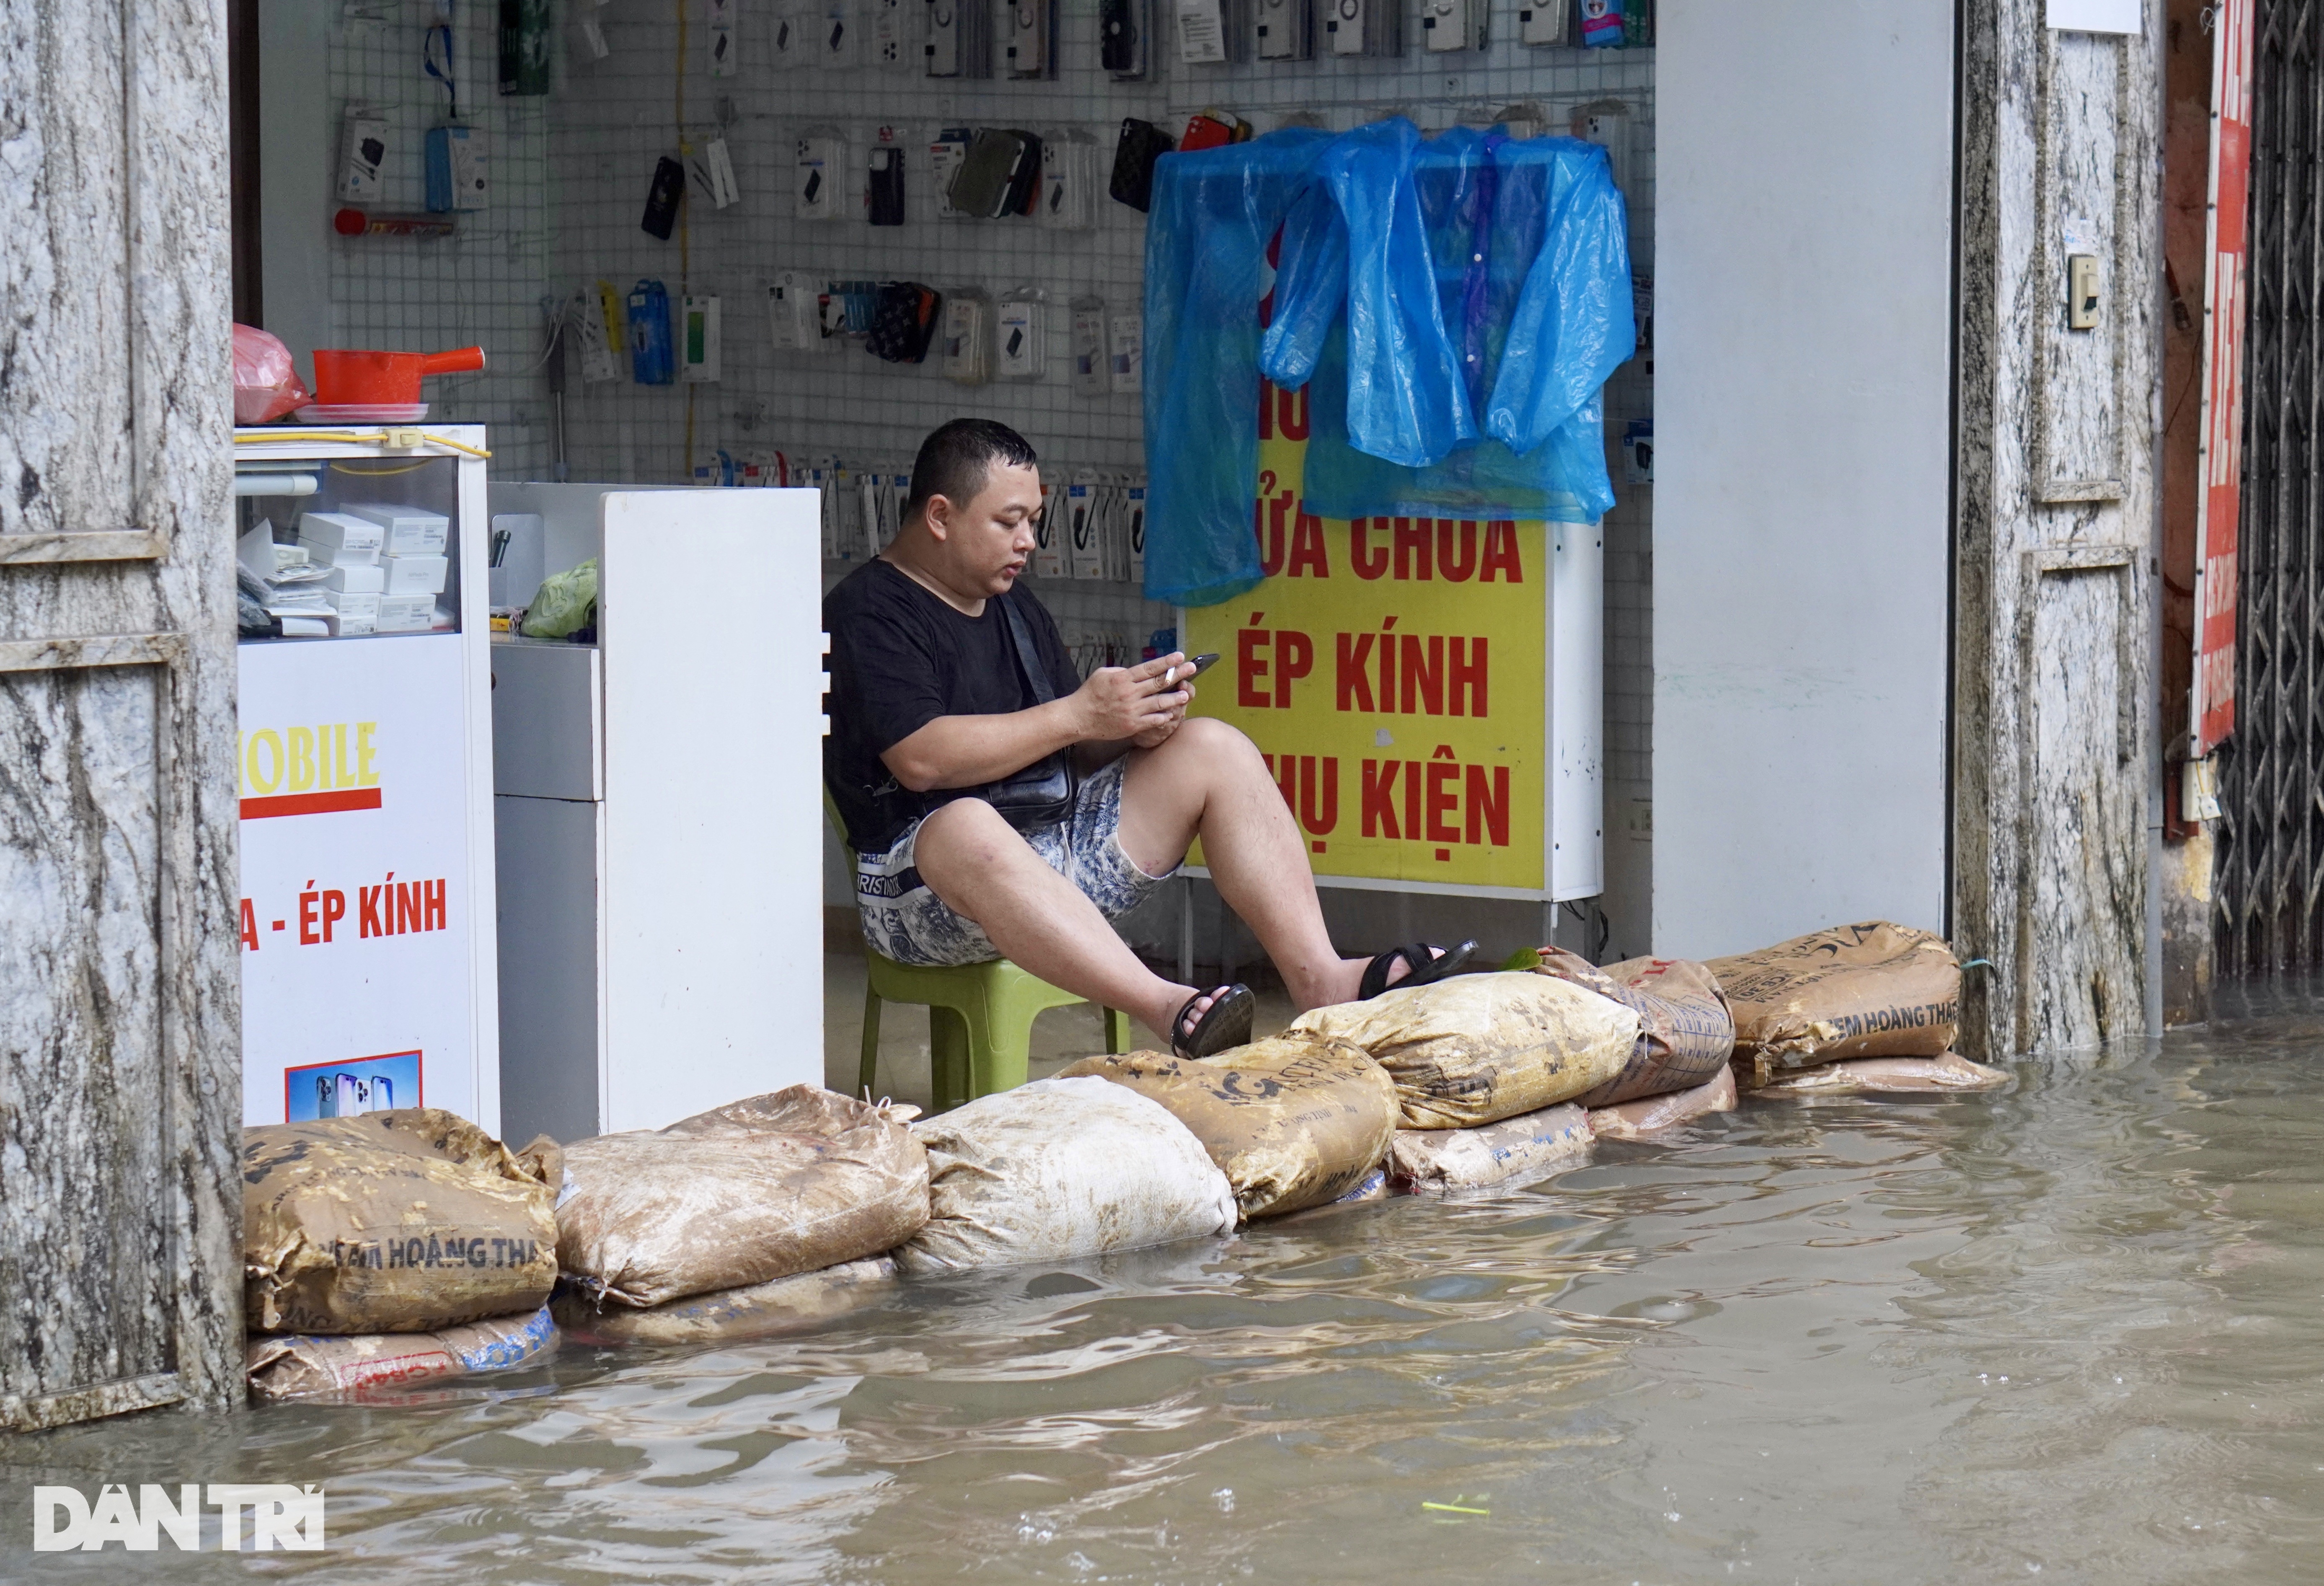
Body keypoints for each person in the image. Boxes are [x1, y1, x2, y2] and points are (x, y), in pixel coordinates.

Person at [822, 419, 1474, 1058]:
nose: (1029, 541)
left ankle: (1321, 978)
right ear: (940, 515)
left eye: (1034, 521)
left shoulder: (1015, 606)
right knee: (965, 823)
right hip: (921, 890)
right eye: (1009, 521)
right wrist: (1081, 714)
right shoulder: (868, 611)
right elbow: (921, 759)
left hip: (1049, 846)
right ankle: (1167, 1006)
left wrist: (1128, 726)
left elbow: (1066, 753)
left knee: (1212, 747)